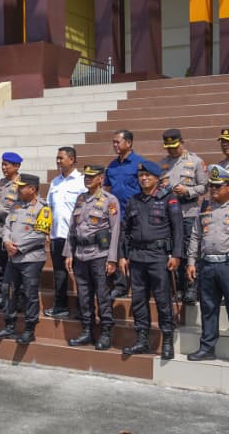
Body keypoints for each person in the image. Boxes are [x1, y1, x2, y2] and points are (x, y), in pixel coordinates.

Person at [186, 166, 229, 366]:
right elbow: (195, 236)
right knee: (208, 308)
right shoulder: (204, 206)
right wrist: (191, 261)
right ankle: (207, 347)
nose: (213, 190)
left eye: (218, 186)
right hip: (207, 264)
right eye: (211, 186)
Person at [119, 161, 184, 359]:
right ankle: (142, 340)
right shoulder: (134, 201)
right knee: (138, 301)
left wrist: (176, 255)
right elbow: (125, 230)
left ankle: (167, 342)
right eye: (141, 176)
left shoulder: (168, 199)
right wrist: (122, 255)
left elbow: (178, 229)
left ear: (156, 178)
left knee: (163, 300)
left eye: (147, 175)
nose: (144, 178)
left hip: (159, 258)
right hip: (137, 257)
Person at [64, 164, 121, 350]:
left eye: (92, 176)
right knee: (84, 295)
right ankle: (87, 331)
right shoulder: (80, 199)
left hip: (100, 254)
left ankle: (105, 333)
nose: (88, 179)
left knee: (102, 295)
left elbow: (116, 231)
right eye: (86, 176)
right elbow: (72, 228)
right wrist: (68, 253)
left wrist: (112, 259)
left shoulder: (109, 200)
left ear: (101, 178)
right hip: (80, 254)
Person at [0, 173, 49, 344]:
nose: (17, 189)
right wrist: (7, 242)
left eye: (21, 186)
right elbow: (6, 227)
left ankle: (29, 329)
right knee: (7, 290)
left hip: (31, 258)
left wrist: (17, 247)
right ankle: (9, 325)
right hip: (13, 257)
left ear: (32, 189)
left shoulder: (43, 208)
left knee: (30, 293)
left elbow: (40, 234)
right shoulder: (15, 206)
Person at [159, 128, 206, 304]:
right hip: (169, 212)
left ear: (182, 142)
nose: (171, 150)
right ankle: (177, 288)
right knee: (174, 250)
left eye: (174, 146)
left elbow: (204, 186)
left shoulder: (195, 162)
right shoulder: (162, 164)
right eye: (168, 147)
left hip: (188, 211)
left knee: (189, 249)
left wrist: (188, 190)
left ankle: (191, 287)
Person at [105, 129, 146, 298]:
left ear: (128, 143)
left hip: (135, 214)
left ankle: (139, 284)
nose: (115, 145)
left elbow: (145, 186)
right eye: (113, 142)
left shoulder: (139, 163)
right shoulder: (112, 165)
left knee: (134, 248)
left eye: (118, 142)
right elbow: (107, 188)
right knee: (118, 248)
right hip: (117, 215)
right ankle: (120, 285)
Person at [43, 146, 83, 319]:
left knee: (81, 273)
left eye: (61, 158)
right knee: (59, 272)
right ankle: (60, 306)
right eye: (57, 158)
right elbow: (49, 208)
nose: (58, 161)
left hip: (75, 235)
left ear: (72, 159)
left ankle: (83, 309)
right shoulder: (55, 182)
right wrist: (46, 230)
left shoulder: (81, 181)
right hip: (57, 235)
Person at [0, 152, 23, 311]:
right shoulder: (1, 183)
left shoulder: (22, 184)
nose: (3, 167)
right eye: (2, 164)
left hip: (13, 232)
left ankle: (17, 300)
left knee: (14, 268)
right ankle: (1, 298)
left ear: (16, 166)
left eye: (7, 165)